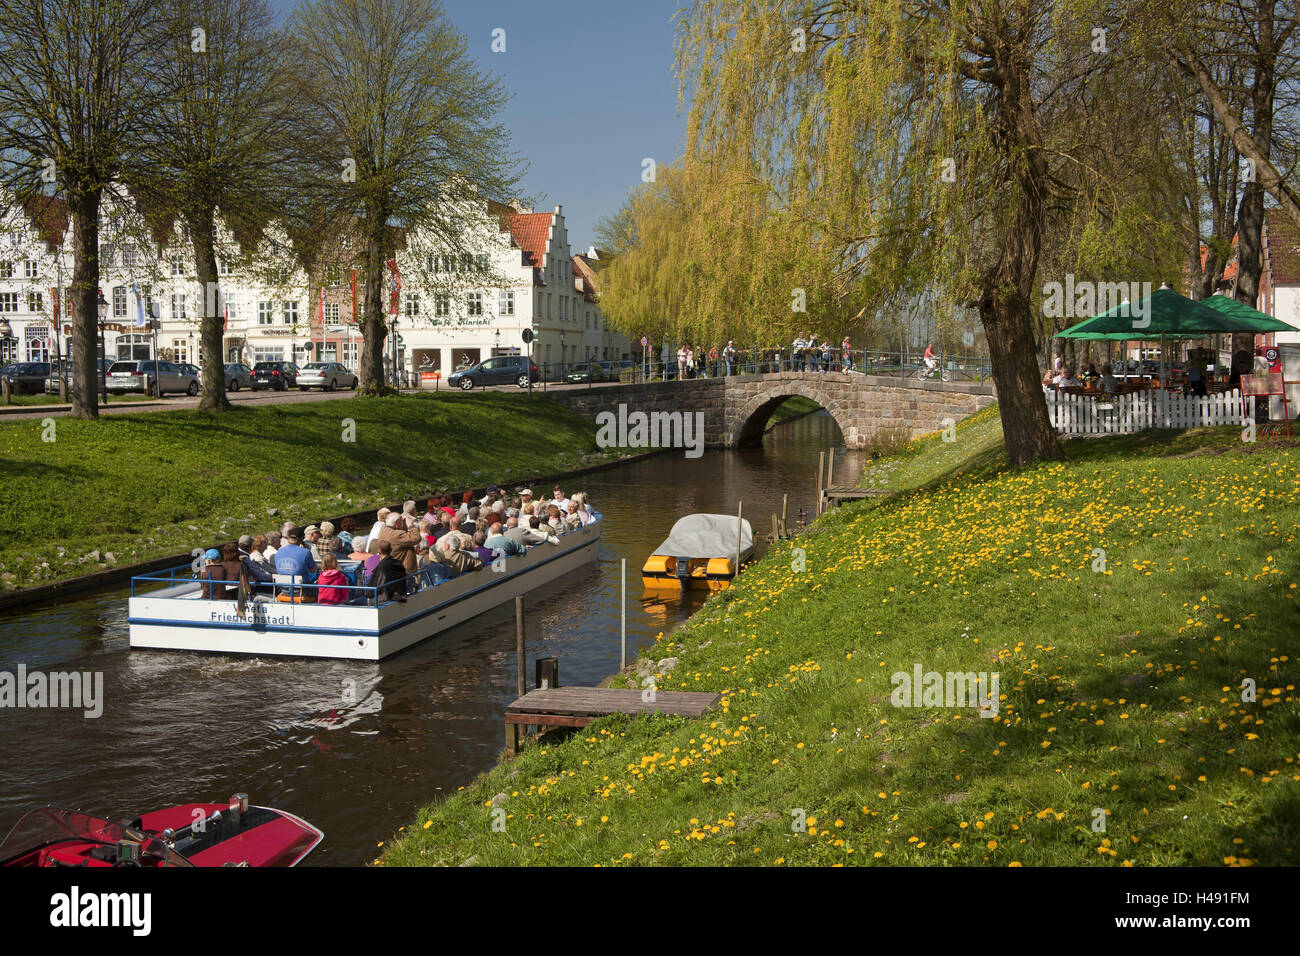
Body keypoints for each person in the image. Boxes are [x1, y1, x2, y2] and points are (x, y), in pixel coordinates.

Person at [273, 529, 317, 595]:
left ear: (288, 538)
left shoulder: (279, 551)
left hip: (283, 590)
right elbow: (313, 569)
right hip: (303, 591)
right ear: (302, 539)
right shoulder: (306, 552)